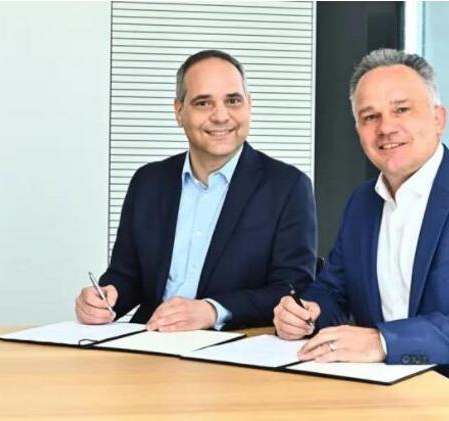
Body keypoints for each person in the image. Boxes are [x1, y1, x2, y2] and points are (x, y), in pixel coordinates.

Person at [273, 49, 449, 420]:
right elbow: (333, 289)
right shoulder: (362, 203)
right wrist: (307, 312)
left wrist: (383, 342)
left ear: (438, 118)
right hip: (389, 398)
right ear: (359, 131)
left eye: (401, 109)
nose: (386, 128)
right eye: (370, 117)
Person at [76, 49, 317, 332]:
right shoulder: (148, 182)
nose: (221, 116)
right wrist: (104, 298)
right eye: (204, 103)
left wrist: (213, 310)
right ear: (179, 111)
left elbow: (293, 289)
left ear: (249, 106)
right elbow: (126, 275)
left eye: (233, 101)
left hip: (233, 345)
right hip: (149, 341)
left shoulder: (288, 187)